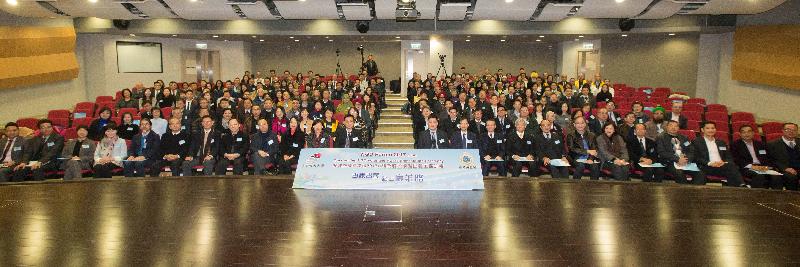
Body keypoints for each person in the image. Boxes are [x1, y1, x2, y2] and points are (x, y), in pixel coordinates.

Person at [691, 121, 744, 187]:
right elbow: (696, 157)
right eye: (708, 128)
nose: (711, 130)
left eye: (713, 128)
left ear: (715, 130)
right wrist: (710, 163)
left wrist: (724, 162)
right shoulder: (696, 141)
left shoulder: (721, 142)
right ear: (702, 130)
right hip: (706, 166)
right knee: (731, 170)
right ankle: (741, 186)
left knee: (731, 166)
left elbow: (729, 156)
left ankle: (736, 189)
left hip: (721, 166)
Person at [656, 121, 705, 185]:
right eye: (671, 125)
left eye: (676, 126)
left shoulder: (684, 138)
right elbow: (662, 152)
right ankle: (683, 192)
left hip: (685, 162)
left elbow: (691, 150)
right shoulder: (661, 137)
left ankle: (693, 191)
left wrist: (686, 159)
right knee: (680, 173)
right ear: (667, 127)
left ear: (679, 128)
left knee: (701, 174)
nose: (673, 127)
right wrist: (677, 159)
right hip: (670, 162)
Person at [732, 125, 778, 189]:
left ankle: (776, 197)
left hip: (763, 167)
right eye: (743, 132)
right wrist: (752, 166)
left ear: (753, 133)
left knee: (776, 177)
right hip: (747, 168)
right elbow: (737, 159)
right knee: (759, 176)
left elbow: (769, 158)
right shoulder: (735, 145)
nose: (746, 134)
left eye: (749, 131)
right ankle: (756, 197)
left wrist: (768, 167)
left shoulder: (761, 144)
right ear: (740, 134)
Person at [766, 123, 800, 191]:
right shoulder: (772, 144)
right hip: (784, 170)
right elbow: (771, 160)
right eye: (788, 130)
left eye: (794, 130)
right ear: (783, 131)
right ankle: (792, 199)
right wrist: (785, 168)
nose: (791, 132)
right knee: (791, 177)